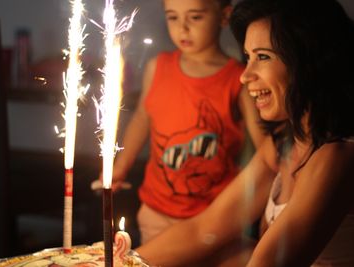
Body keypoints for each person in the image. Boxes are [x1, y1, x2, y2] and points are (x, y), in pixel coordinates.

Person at [134, 0, 354, 266]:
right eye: (248, 57)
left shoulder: (340, 156)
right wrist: (111, 260)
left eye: (263, 57)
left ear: (309, 60)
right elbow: (203, 230)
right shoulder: (282, 146)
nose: (245, 75)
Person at [97, 0, 265, 245]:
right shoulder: (158, 67)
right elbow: (142, 118)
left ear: (224, 16)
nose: (182, 28)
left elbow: (266, 146)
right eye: (173, 17)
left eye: (195, 17)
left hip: (214, 217)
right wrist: (119, 167)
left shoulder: (239, 78)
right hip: (157, 211)